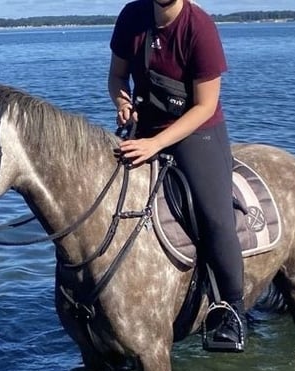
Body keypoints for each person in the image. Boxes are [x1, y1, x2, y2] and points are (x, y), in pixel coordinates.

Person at [108, 0, 246, 352]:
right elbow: (117, 76)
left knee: (215, 217)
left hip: (196, 132)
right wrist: (122, 103)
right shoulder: (132, 16)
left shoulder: (198, 27)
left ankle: (231, 311)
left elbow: (205, 105)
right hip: (145, 129)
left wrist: (155, 144)